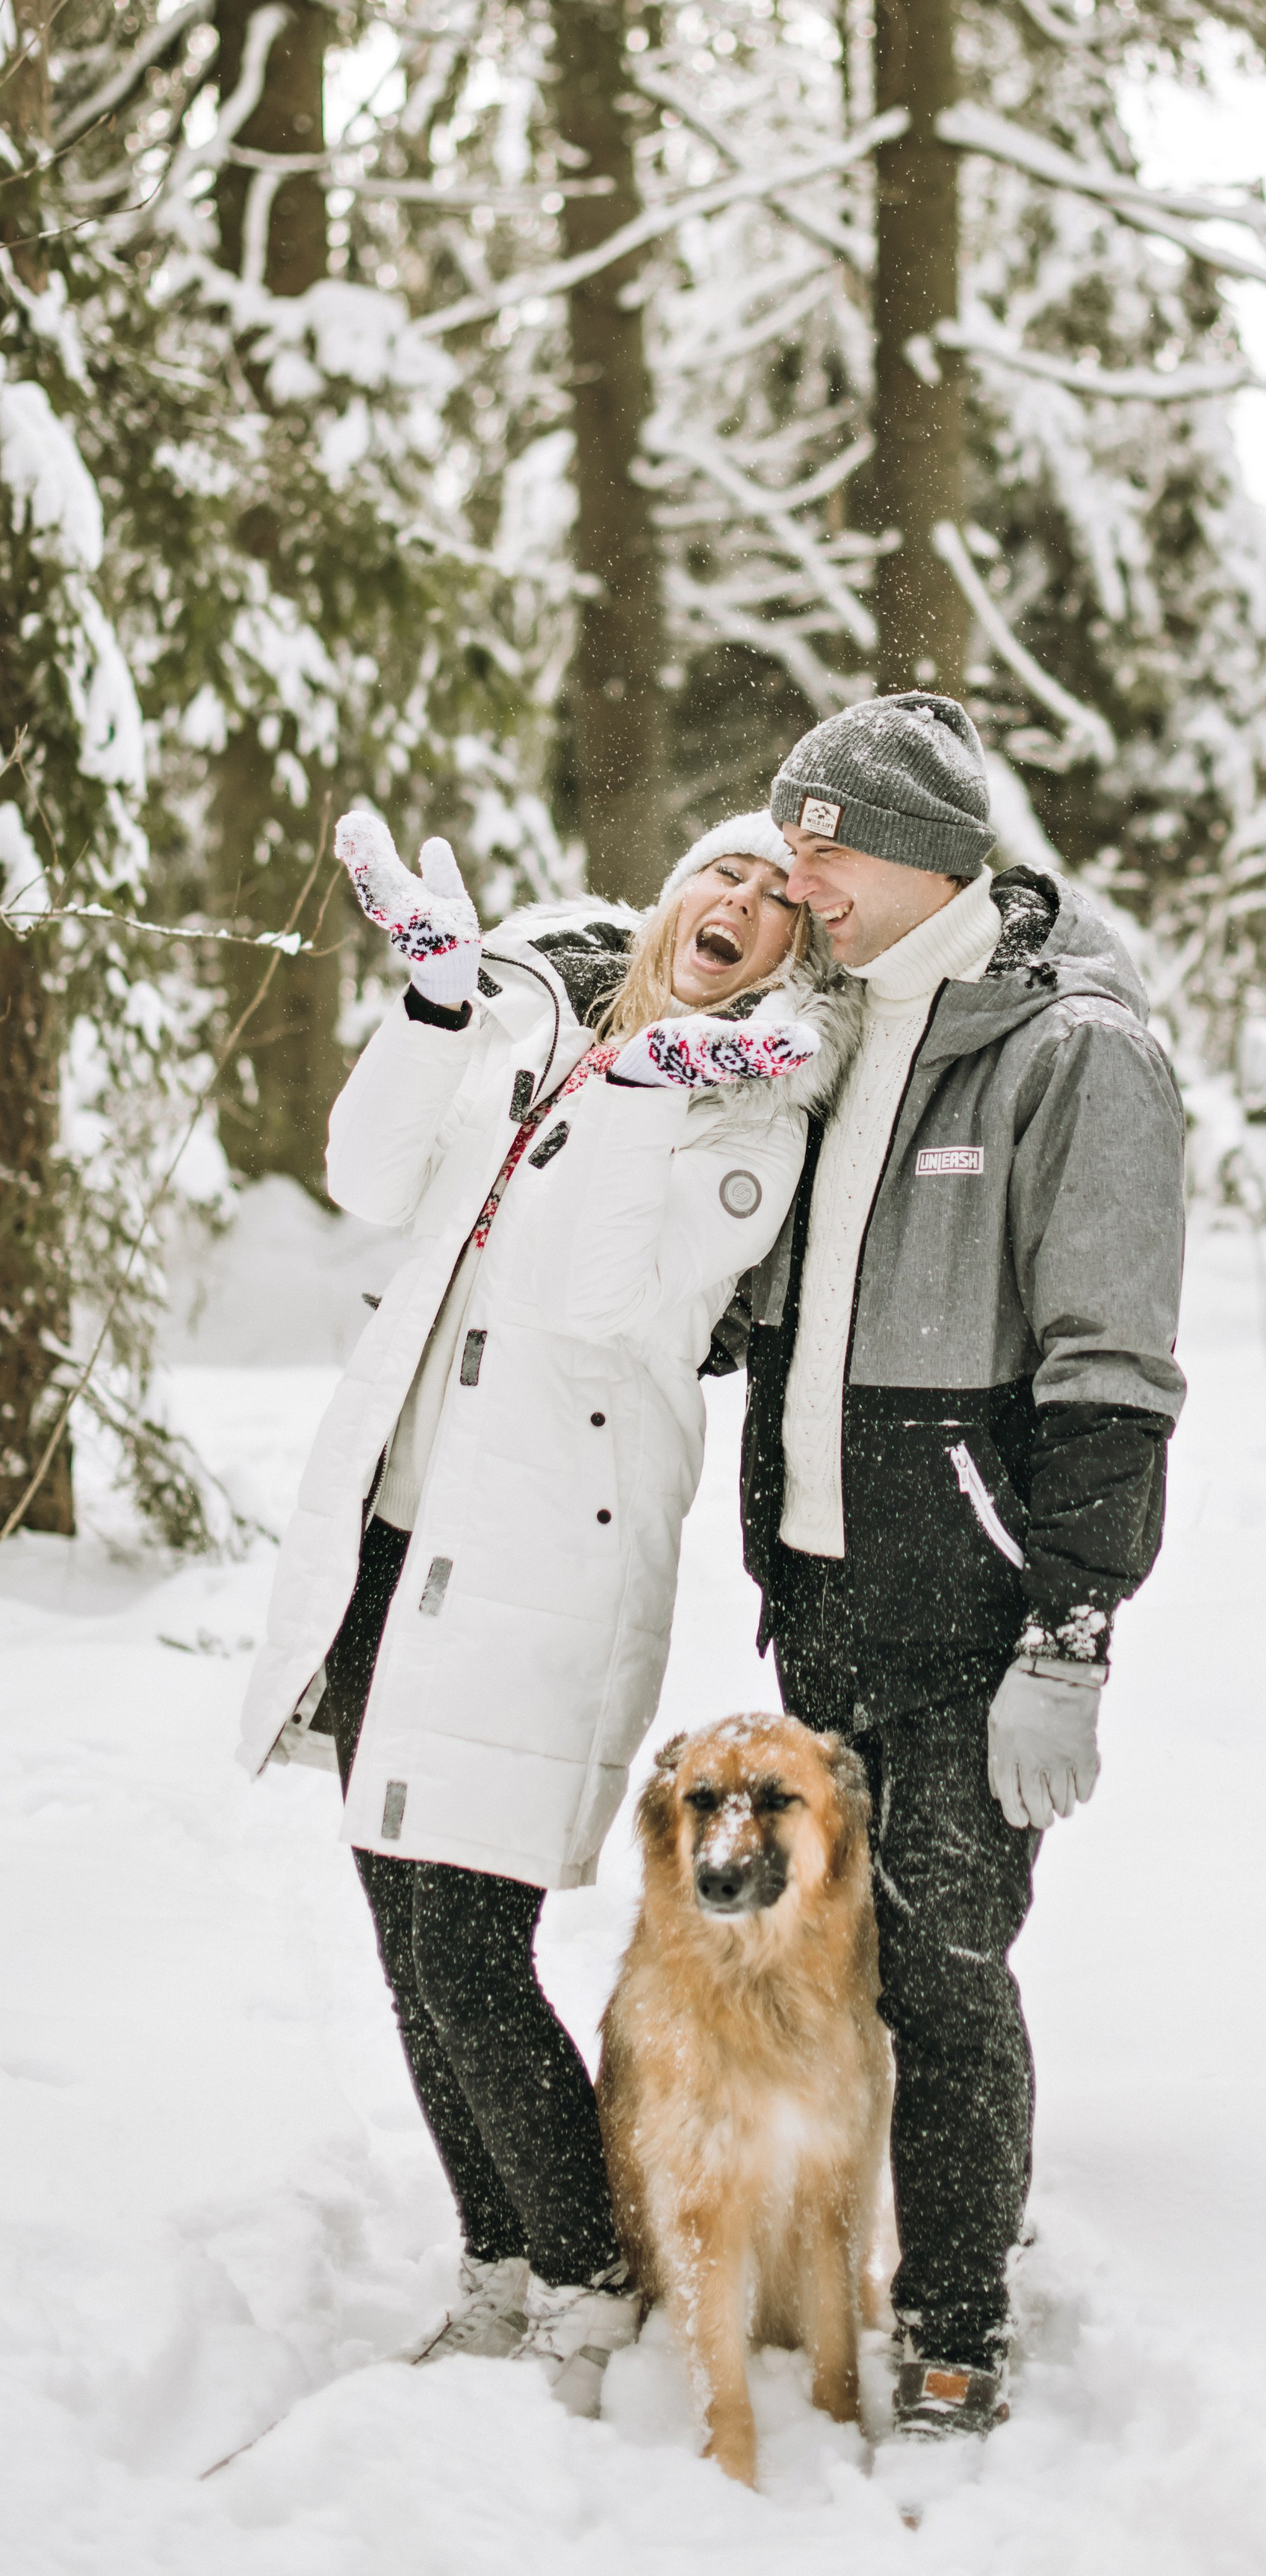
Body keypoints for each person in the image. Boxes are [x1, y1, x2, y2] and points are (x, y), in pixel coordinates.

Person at [237, 807, 857, 2417]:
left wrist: (655, 1100)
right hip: (397, 1527)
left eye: (782, 900)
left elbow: (602, 1301)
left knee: (467, 1942)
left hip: (543, 1560)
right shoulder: (537, 1025)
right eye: (725, 869)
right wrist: (440, 1004)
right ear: (672, 892)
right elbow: (367, 1176)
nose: (745, 902)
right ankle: (496, 2261)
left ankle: (581, 2274)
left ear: (795, 952)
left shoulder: (750, 1119)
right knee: (395, 1918)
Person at [739, 692, 1187, 2440]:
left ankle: (951, 2320)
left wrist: (1068, 1633)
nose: (802, 878)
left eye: (827, 843)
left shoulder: (1072, 1048)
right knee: (820, 1953)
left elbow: (1110, 1368)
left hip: (976, 1607)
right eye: (791, 841)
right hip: (825, 1590)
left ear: (929, 853)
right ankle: (815, 2262)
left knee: (940, 1968)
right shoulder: (836, 1027)